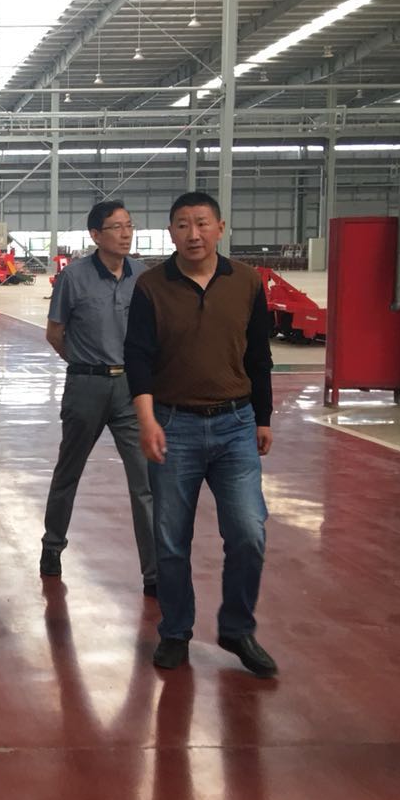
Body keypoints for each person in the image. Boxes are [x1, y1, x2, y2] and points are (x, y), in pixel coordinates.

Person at [125, 191, 276, 678]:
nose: (194, 234)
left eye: (202, 223)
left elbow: (259, 356)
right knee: (171, 539)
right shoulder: (151, 287)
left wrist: (263, 417)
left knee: (249, 531)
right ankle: (175, 631)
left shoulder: (247, 282)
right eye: (183, 225)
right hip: (174, 426)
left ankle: (237, 627)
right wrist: (147, 420)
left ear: (220, 228)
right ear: (171, 232)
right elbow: (138, 358)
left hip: (236, 425)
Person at [40, 200, 157, 597]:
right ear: (95, 235)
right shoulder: (73, 277)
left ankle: (154, 573)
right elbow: (55, 333)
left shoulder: (142, 276)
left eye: (129, 225)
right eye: (116, 227)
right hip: (86, 386)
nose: (125, 234)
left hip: (130, 391)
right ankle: (52, 546)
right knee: (68, 471)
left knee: (144, 482)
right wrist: (83, 363)